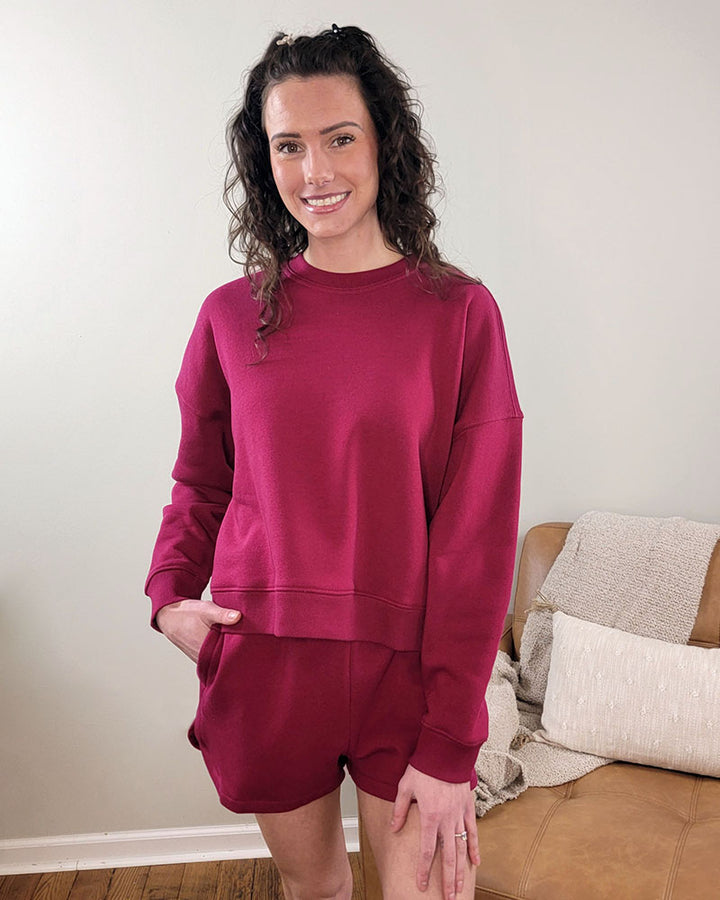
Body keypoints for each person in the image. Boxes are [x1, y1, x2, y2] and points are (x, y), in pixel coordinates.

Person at [145, 24, 523, 900]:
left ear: (384, 142)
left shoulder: (460, 316)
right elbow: (201, 480)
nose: (315, 171)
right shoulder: (230, 317)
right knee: (314, 890)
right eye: (289, 145)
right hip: (268, 660)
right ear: (263, 159)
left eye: (339, 138)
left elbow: (477, 541)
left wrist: (452, 740)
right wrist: (169, 597)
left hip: (410, 673)